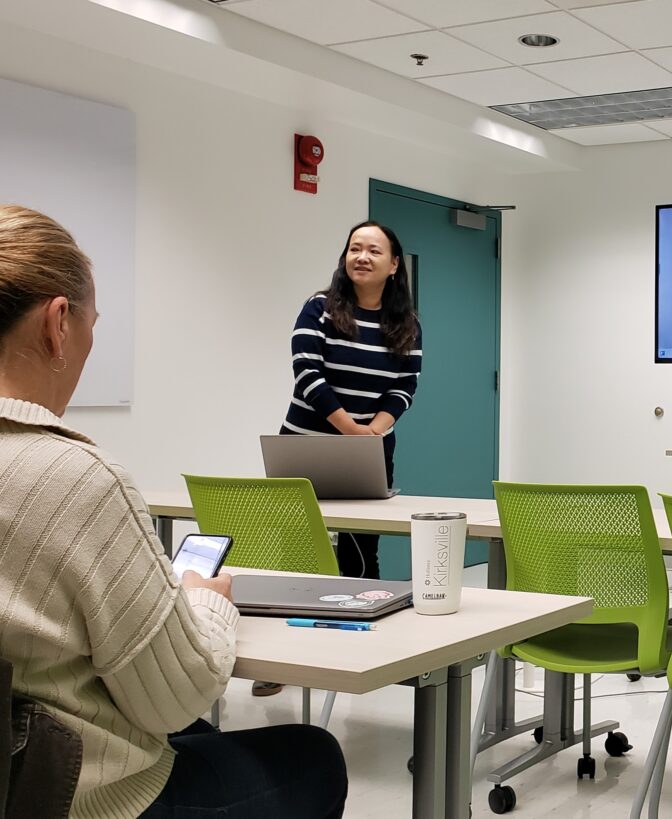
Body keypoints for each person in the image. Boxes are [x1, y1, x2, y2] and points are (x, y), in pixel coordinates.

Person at [0, 204, 347, 818]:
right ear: (58, 324)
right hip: (65, 796)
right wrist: (203, 599)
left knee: (207, 741)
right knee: (315, 756)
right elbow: (175, 698)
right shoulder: (76, 478)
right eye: (91, 325)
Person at [281, 220, 422, 580]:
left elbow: (405, 385)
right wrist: (349, 429)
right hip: (307, 444)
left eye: (374, 251)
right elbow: (308, 373)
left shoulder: (406, 323)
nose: (361, 256)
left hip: (371, 449)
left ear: (393, 266)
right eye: (354, 248)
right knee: (298, 548)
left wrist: (374, 430)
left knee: (360, 552)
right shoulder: (319, 308)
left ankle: (363, 627)